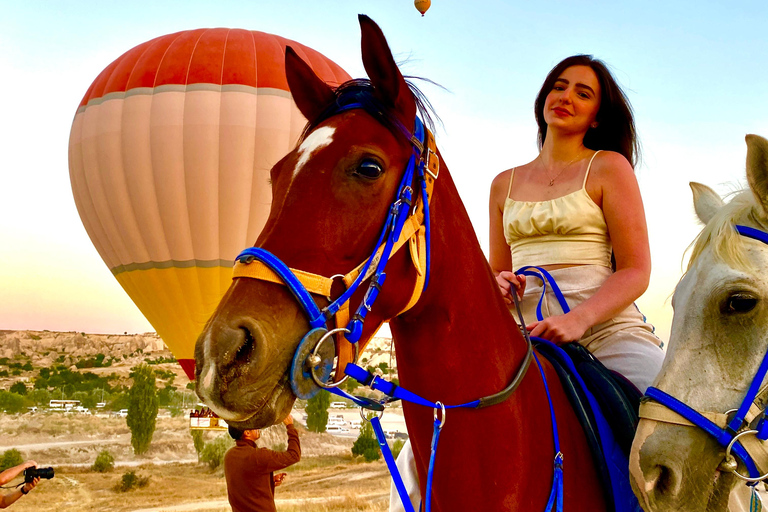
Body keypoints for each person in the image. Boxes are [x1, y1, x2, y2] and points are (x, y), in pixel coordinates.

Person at [489, 54, 664, 393]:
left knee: (668, 416)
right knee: (441, 416)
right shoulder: (502, 183)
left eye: (583, 93)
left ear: (597, 118)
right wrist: (498, 284)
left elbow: (635, 270)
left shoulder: (609, 167)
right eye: (559, 87)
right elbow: (498, 269)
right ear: (544, 100)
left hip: (605, 330)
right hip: (522, 333)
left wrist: (577, 320)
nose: (566, 97)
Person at [224, 413, 301, 512]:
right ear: (247, 433)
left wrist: (268, 481)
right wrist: (290, 426)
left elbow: (244, 484)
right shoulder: (258, 456)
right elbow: (294, 455)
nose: (258, 427)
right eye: (254, 426)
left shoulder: (229, 456)